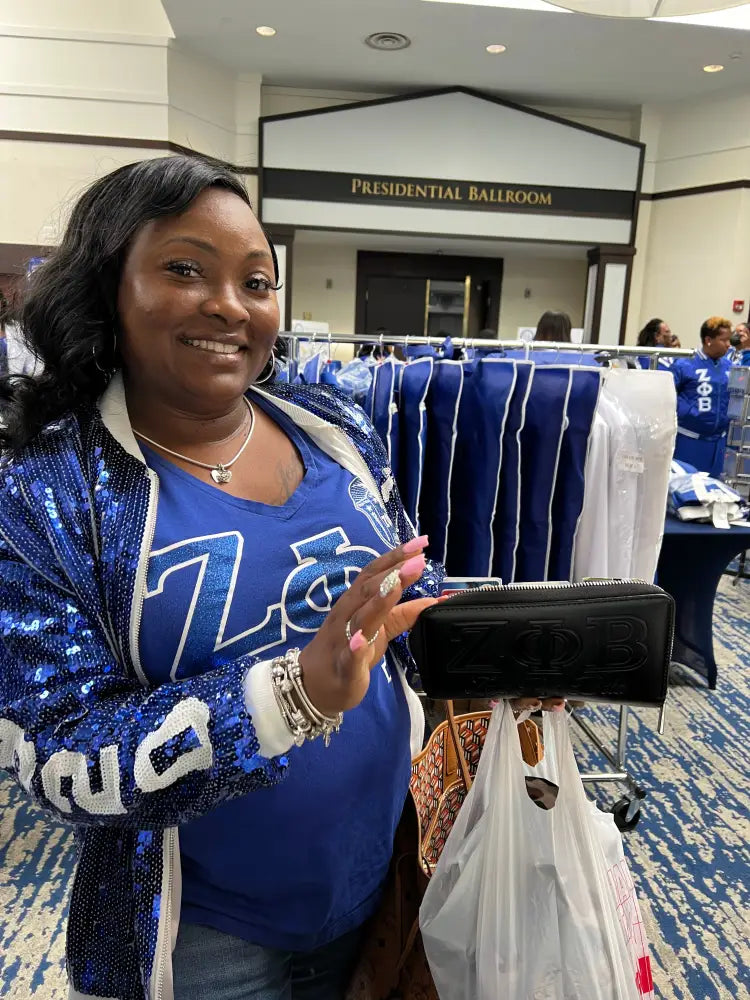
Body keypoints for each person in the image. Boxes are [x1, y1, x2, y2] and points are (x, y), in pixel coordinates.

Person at [0, 155, 561, 1000]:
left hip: (380, 877)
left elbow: (406, 594)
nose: (229, 305)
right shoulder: (46, 486)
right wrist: (293, 693)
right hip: (203, 936)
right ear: (108, 286)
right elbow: (55, 758)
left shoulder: (331, 422)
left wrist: (514, 655)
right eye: (185, 269)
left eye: (256, 281)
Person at [671, 316, 732, 478]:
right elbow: (667, 396)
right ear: (708, 340)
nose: (728, 344)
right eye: (724, 340)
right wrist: (687, 413)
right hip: (689, 441)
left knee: (713, 492)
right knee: (686, 490)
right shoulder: (685, 364)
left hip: (718, 444)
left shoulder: (728, 366)